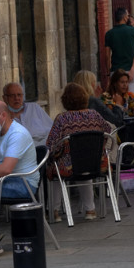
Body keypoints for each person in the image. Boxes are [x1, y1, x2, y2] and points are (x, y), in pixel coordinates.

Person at [0, 100, 39, 257]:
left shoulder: (17, 134)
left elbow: (6, 169)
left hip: (22, 183)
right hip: (2, 181)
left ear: (3, 115)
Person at [46, 83, 111, 223]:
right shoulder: (94, 115)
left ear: (65, 100)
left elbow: (51, 145)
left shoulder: (62, 119)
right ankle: (90, 210)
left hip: (70, 167)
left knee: (53, 166)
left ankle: (55, 211)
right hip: (95, 164)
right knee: (84, 163)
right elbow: (107, 131)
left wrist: (56, 154)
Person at [2, 82, 53, 147]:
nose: (17, 98)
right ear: (4, 98)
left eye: (19, 95)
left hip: (45, 147)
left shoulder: (34, 108)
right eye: (12, 95)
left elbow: (53, 129)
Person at [104, 7, 134, 87]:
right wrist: (132, 70)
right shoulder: (133, 31)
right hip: (130, 71)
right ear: (125, 17)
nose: (128, 17)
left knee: (116, 97)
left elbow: (107, 56)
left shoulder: (109, 34)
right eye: (128, 15)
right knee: (131, 97)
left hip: (115, 71)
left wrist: (109, 72)